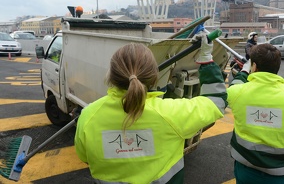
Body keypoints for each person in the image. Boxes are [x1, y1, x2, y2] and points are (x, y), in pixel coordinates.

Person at [74, 32, 228, 184]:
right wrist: (206, 58)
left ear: (111, 75)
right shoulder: (171, 114)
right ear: (154, 77)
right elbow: (216, 102)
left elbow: (84, 157)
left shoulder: (89, 116)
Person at [227, 43, 284, 184]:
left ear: (254, 66)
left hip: (246, 170)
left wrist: (244, 72)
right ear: (277, 67)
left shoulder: (237, 92)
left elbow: (232, 88)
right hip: (280, 175)